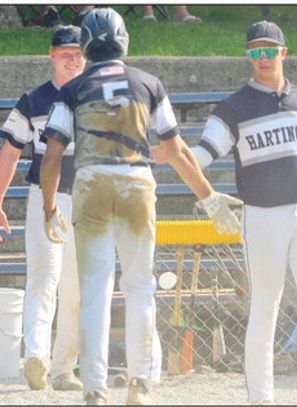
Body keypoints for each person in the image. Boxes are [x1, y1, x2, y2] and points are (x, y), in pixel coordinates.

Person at [40, 8, 241, 405]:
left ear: (86, 45)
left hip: (92, 181)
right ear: (123, 40)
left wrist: (48, 206)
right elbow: (176, 149)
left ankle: (94, 386)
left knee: (95, 289)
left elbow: (52, 155)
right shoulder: (148, 83)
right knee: (139, 286)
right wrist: (208, 196)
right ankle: (140, 382)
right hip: (136, 181)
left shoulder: (73, 89)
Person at [189, 20, 297, 404]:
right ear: (249, 56)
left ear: (283, 52)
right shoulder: (233, 108)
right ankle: (261, 397)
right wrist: (175, 156)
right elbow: (202, 155)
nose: (263, 57)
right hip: (261, 215)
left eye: (269, 50)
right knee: (265, 306)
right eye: (256, 51)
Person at [0, 25, 84, 392]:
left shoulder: (94, 97)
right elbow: (9, 152)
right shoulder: (32, 99)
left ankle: (65, 367)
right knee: (43, 280)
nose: (73, 58)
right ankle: (37, 356)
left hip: (86, 198)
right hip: (43, 196)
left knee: (77, 288)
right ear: (51, 55)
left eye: (78, 51)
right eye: (65, 52)